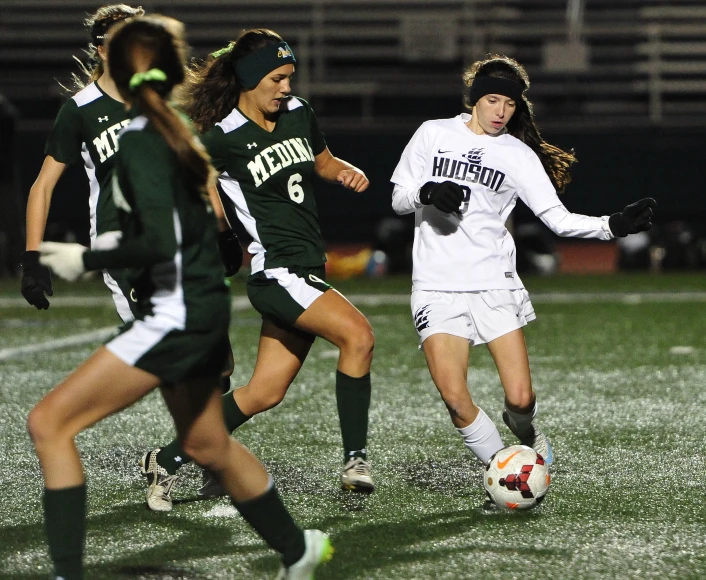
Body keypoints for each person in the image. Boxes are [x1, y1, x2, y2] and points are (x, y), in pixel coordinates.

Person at [29, 15, 332, 580]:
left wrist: (85, 258)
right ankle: (297, 551)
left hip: (171, 308)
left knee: (50, 424)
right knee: (208, 443)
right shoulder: (176, 126)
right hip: (197, 302)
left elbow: (159, 236)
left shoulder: (147, 134)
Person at [139, 27, 376, 512]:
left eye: (290, 77)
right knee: (359, 336)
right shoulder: (220, 137)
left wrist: (343, 170)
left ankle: (165, 460)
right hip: (276, 272)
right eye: (277, 78)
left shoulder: (299, 114)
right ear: (249, 79)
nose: (286, 87)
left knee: (263, 393)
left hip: (307, 269)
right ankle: (355, 460)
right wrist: (218, 231)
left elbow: (322, 161)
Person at [390, 54, 656, 472]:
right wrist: (427, 192)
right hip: (436, 286)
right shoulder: (432, 134)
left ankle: (525, 432)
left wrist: (613, 225)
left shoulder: (516, 154)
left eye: (510, 104)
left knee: (520, 399)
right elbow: (398, 196)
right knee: (457, 402)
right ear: (474, 99)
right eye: (493, 100)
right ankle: (510, 473)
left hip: (494, 283)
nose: (501, 112)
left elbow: (559, 220)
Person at [21, 4, 144, 320]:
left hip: (172, 237)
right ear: (102, 51)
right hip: (119, 240)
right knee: (169, 348)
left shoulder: (160, 97)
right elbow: (43, 186)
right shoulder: (80, 109)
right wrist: (32, 258)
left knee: (217, 362)